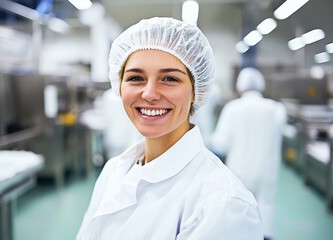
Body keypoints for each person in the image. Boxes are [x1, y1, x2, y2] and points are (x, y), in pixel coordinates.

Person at [77, 17, 263, 240]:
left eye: (169, 79)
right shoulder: (113, 171)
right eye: (136, 78)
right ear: (119, 85)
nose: (149, 94)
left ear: (196, 91)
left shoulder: (222, 203)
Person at [210, 67, 287, 240]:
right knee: (265, 209)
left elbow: (221, 144)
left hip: (239, 171)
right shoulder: (276, 109)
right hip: (267, 171)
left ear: (240, 87)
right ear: (261, 86)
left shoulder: (232, 108)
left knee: (239, 213)